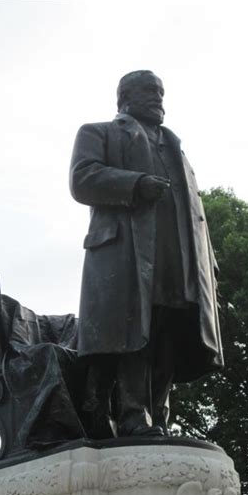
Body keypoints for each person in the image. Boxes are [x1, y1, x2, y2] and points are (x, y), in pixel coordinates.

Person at [69, 70, 223, 437]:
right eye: (149, 92)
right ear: (125, 98)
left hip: (180, 255)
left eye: (161, 92)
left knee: (170, 329)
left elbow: (195, 212)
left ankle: (159, 416)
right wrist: (135, 184)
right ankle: (133, 417)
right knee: (136, 331)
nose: (158, 99)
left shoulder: (175, 147)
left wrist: (210, 265)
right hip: (127, 253)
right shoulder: (99, 132)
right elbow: (82, 178)